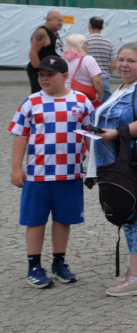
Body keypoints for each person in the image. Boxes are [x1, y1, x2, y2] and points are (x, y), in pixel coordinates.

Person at [8, 56, 95, 288]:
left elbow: (91, 135)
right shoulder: (32, 101)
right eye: (40, 75)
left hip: (70, 173)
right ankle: (34, 265)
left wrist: (95, 169)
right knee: (35, 220)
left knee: (63, 220)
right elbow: (21, 135)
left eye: (50, 74)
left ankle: (59, 262)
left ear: (65, 76)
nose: (44, 79)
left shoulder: (81, 101)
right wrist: (17, 168)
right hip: (38, 175)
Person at [89, 42, 137, 296]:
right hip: (118, 163)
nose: (124, 64)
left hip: (136, 164)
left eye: (131, 60)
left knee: (135, 218)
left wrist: (117, 133)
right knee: (127, 216)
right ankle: (133, 271)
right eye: (121, 59)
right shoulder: (123, 87)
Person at [27, 10, 64, 94]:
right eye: (58, 20)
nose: (61, 23)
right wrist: (41, 73)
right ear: (48, 20)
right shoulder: (41, 33)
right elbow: (33, 54)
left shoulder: (55, 33)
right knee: (40, 95)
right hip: (42, 71)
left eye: (62, 20)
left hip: (51, 71)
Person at [62, 34, 103, 108]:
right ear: (81, 45)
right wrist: (100, 96)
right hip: (85, 98)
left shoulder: (62, 60)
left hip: (66, 95)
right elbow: (97, 81)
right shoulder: (88, 59)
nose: (87, 46)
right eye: (86, 43)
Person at [86, 16, 115, 102]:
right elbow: (113, 63)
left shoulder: (85, 42)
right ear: (102, 27)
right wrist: (108, 74)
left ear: (89, 26)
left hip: (88, 78)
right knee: (104, 106)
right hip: (104, 78)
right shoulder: (109, 42)